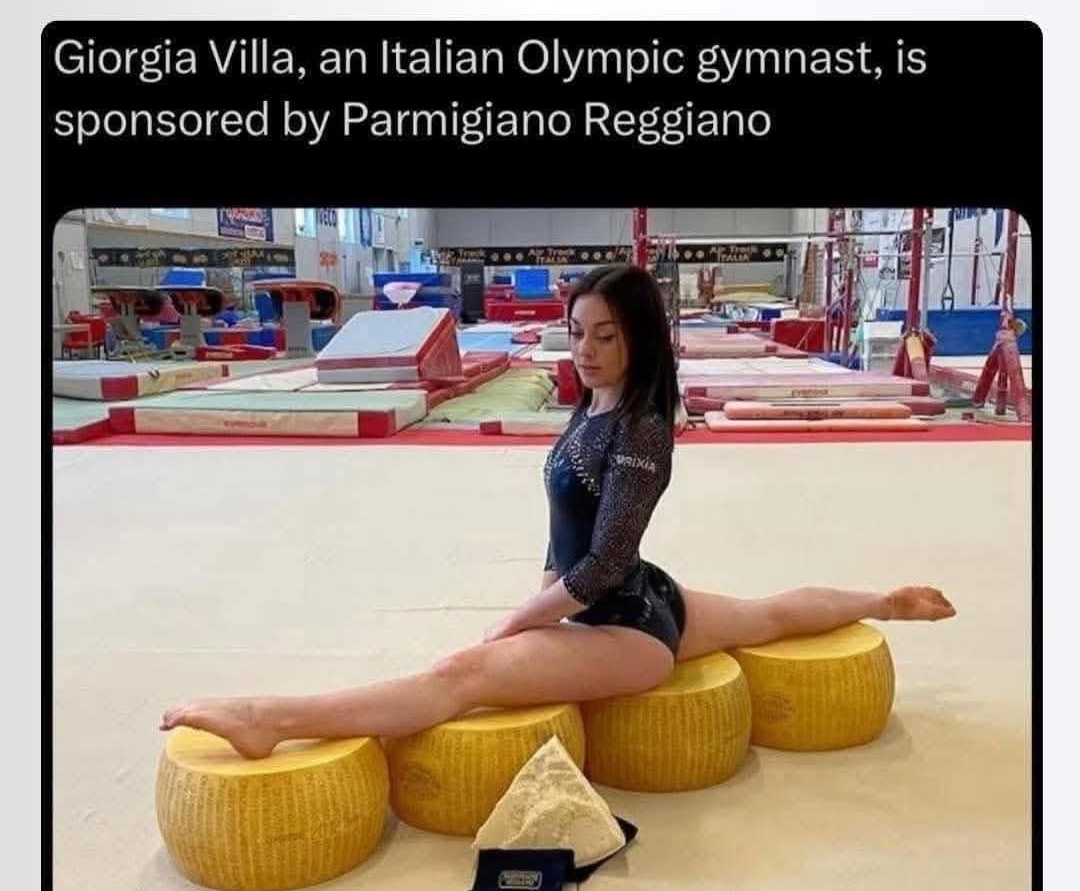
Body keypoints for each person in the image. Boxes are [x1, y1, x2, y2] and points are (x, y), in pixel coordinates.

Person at [161, 264, 955, 760]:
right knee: (767, 615)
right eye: (578, 333)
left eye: (606, 336)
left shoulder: (642, 428)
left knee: (459, 676)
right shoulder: (593, 405)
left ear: (639, 338)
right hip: (636, 594)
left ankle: (269, 718)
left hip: (629, 626)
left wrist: (522, 620)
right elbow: (566, 533)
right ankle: (887, 600)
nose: (586, 349)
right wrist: (544, 606)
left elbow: (602, 564)